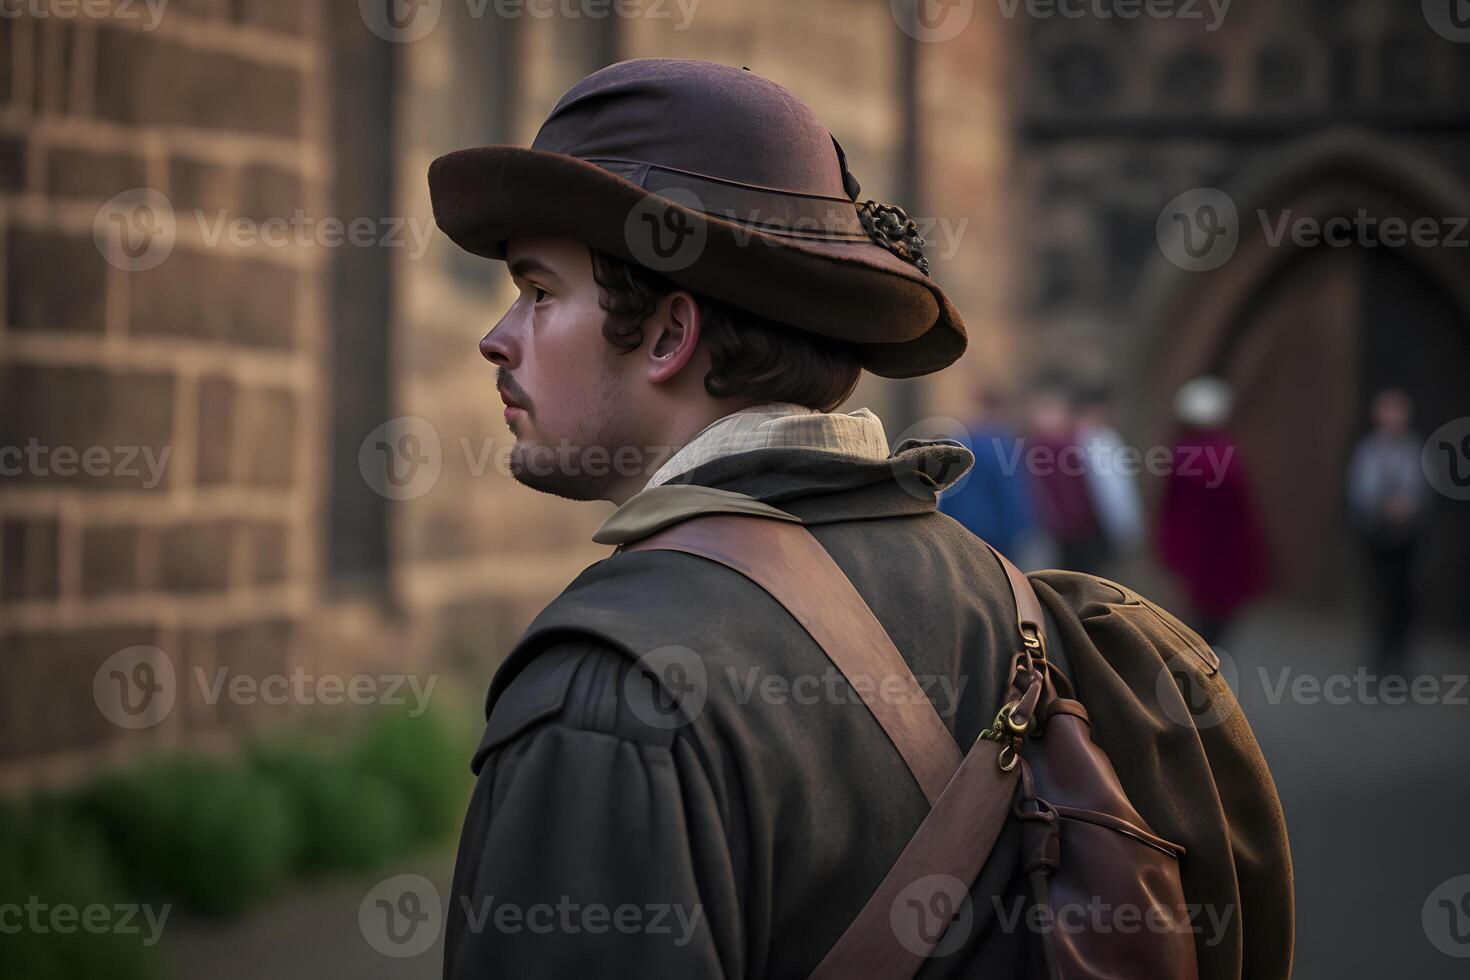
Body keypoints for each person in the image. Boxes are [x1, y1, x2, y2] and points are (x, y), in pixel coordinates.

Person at [429, 59, 1290, 978]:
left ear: (671, 336)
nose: (499, 335)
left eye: (540, 291)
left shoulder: (609, 698)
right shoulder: (1044, 618)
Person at [1157, 376, 1271, 645]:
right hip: (1225, 555)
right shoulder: (1227, 453)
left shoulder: (1185, 452)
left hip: (1195, 553)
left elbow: (1171, 506)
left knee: (1196, 622)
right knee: (1216, 626)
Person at [1346, 388, 1429, 672]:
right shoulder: (1367, 451)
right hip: (1376, 536)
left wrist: (1407, 507)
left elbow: (1420, 488)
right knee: (1379, 595)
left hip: (1406, 538)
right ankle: (1378, 656)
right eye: (1388, 411)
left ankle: (1399, 656)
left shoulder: (1413, 450)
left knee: (1404, 597)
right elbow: (1359, 492)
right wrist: (1382, 507)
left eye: (1398, 411)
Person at [937, 388, 1038, 559]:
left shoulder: (959, 441)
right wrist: (1021, 527)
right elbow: (1011, 493)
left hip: (959, 528)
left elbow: (948, 489)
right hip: (995, 532)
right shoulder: (1003, 445)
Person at [1023, 381, 1108, 575]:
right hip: (1052, 529)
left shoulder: (1063, 445)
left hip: (1070, 531)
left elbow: (1076, 491)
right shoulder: (1039, 445)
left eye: (1049, 411)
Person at [1076, 386, 1145, 564]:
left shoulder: (1108, 438)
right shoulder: (1079, 440)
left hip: (1109, 525)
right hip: (1087, 526)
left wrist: (1127, 523)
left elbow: (1120, 487)